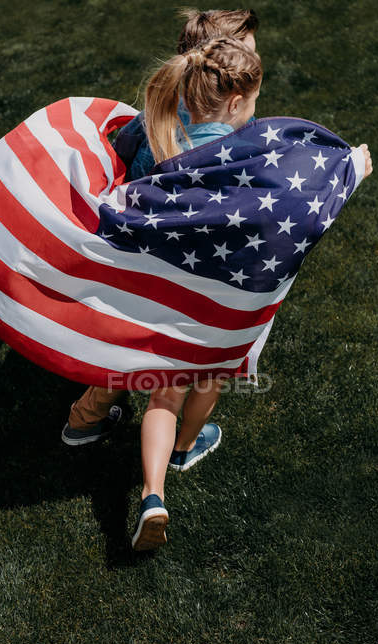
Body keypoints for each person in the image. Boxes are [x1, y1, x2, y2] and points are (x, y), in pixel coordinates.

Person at [61, 8, 259, 447]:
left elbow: (121, 158)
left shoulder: (154, 113)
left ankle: (85, 418)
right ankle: (163, 437)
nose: (254, 56)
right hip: (183, 262)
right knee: (152, 348)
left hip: (135, 244)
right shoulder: (225, 144)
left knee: (132, 335)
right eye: (244, 49)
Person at [131, 36, 264, 550]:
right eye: (252, 103)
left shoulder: (161, 136)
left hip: (165, 289)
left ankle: (153, 494)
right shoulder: (247, 154)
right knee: (211, 372)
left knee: (163, 388)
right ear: (235, 102)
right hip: (219, 297)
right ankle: (186, 447)